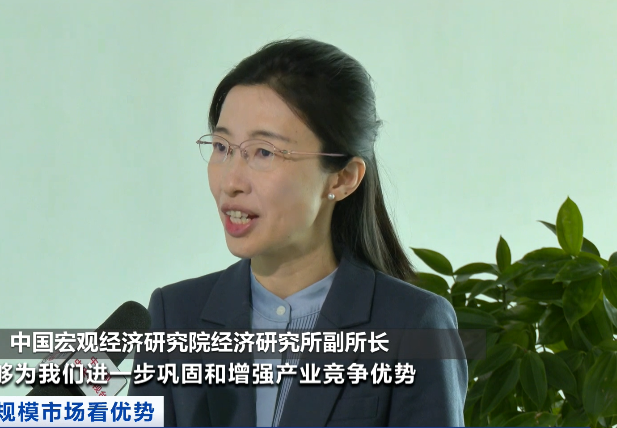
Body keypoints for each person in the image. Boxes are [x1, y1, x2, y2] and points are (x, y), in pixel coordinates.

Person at [128, 38, 468, 427]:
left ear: (343, 178)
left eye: (264, 152)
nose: (231, 181)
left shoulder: (414, 324)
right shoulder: (175, 315)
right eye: (222, 147)